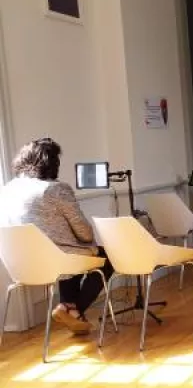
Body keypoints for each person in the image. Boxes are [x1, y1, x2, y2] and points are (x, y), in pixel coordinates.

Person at [0, 138, 113, 334]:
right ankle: (72, 309)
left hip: (19, 265)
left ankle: (73, 313)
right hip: (57, 262)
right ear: (52, 163)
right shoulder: (55, 189)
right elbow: (85, 233)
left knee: (71, 253)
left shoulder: (7, 190)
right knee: (106, 258)